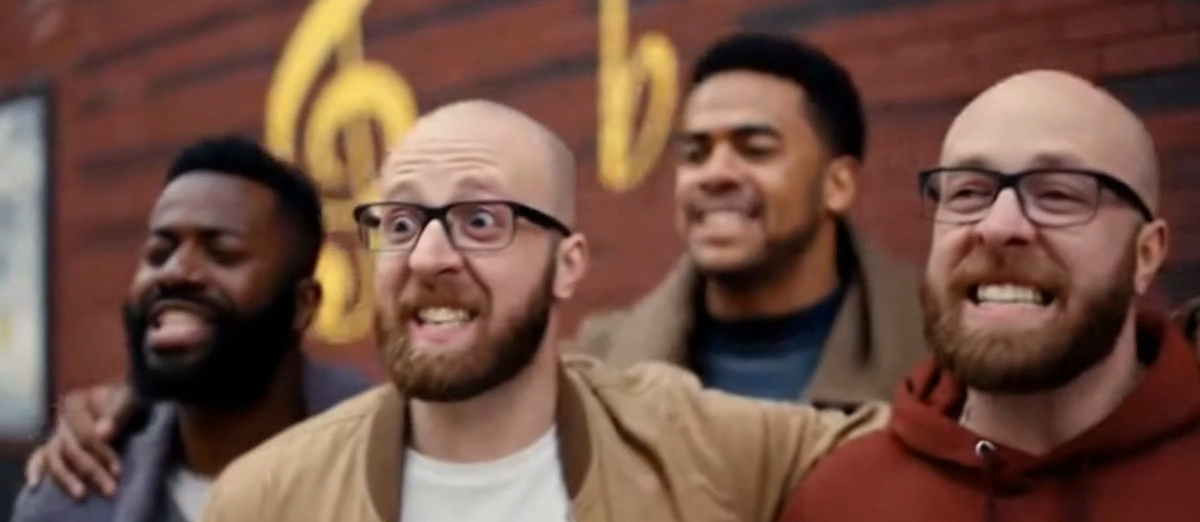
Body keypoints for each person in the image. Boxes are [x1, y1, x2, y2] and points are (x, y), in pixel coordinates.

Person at [198, 99, 886, 522]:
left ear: (568, 265)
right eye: (401, 224)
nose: (428, 256)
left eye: (479, 221)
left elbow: (922, 450)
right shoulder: (266, 499)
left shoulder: (701, 447)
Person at [776, 70, 1200, 522]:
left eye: (1057, 194)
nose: (997, 227)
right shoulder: (842, 499)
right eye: (968, 193)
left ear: (1145, 255)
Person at [9, 136, 373, 522]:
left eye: (222, 254)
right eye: (158, 253)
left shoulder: (395, 478)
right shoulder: (68, 502)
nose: (175, 272)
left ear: (302, 305)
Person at [577, 32, 925, 405]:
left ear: (837, 185)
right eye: (695, 154)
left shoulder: (941, 360)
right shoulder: (592, 373)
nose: (715, 174)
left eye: (756, 150)